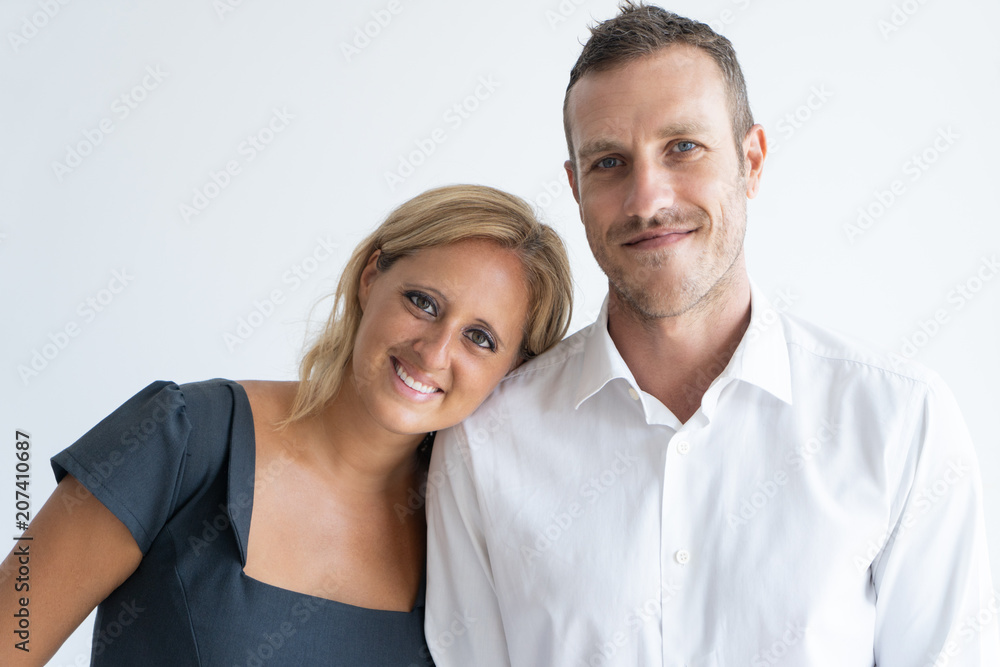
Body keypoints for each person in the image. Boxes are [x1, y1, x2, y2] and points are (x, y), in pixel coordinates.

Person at [425, 4, 1000, 666]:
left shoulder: (901, 422)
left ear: (751, 161)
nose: (647, 199)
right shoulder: (484, 439)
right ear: (576, 188)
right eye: (609, 162)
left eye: (683, 148)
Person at [0, 184, 573, 666]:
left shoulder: (472, 531)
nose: (435, 351)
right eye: (423, 302)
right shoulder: (180, 438)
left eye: (480, 337)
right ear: (371, 277)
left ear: (512, 370)